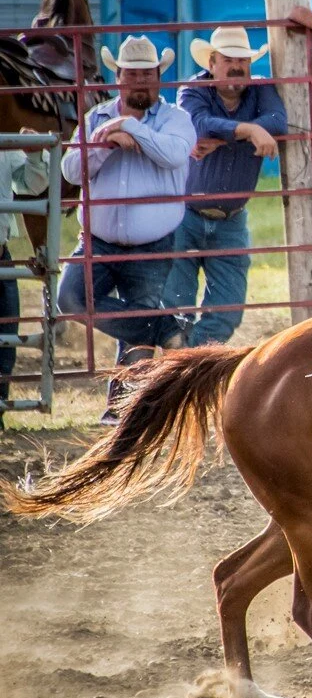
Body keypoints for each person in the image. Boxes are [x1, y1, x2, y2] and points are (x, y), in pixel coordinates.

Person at [59, 35, 195, 425]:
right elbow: (71, 171)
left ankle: (121, 412)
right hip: (97, 240)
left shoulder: (175, 119)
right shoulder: (96, 118)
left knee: (134, 327)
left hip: (152, 243)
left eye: (147, 74)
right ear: (118, 76)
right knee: (71, 300)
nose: (140, 81)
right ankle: (166, 326)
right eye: (132, 73)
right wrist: (106, 142)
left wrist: (131, 129)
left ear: (159, 78)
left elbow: (173, 154)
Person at [166, 26, 287, 346]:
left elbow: (278, 120)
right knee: (175, 308)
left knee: (227, 312)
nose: (237, 66)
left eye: (243, 60)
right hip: (185, 215)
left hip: (232, 218)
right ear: (212, 62)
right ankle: (180, 364)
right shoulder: (193, 89)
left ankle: (187, 363)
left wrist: (221, 141)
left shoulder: (260, 90)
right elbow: (197, 123)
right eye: (229, 59)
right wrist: (248, 130)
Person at [0, 133, 49, 430]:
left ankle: (0, 407)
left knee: (6, 337)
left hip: (1, 253)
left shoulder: (3, 145)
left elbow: (32, 183)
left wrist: (33, 155)